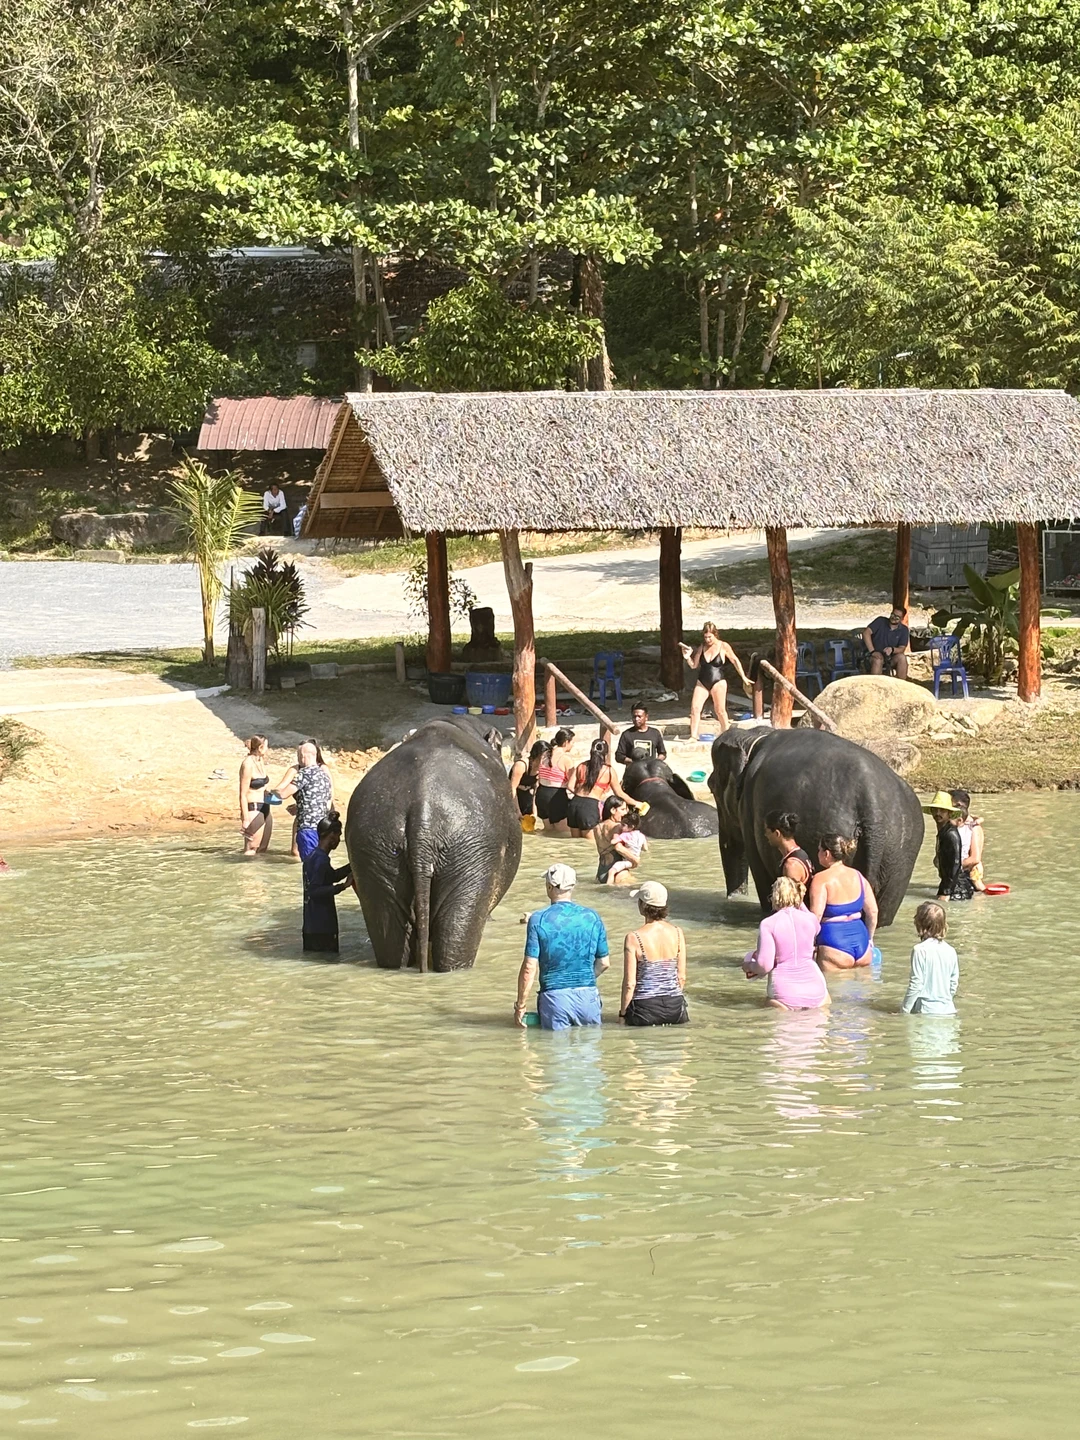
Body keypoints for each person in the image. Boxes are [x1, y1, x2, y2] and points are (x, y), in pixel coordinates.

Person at [514, 864, 610, 1030]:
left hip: (554, 999)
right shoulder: (592, 917)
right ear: (572, 886)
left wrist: (520, 1005)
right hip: (588, 998)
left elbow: (529, 968)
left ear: (549, 886)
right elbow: (604, 962)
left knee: (556, 1051)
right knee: (590, 1051)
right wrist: (582, 979)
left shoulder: (538, 919)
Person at [742, 877, 830, 1010]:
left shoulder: (768, 924)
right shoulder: (811, 919)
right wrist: (798, 901)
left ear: (774, 897)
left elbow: (764, 966)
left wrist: (748, 965)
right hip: (817, 989)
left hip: (784, 993)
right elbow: (816, 926)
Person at [619, 881, 688, 1026]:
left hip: (645, 1009)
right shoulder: (677, 932)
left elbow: (630, 984)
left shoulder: (634, 937)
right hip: (675, 1008)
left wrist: (623, 1014)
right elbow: (681, 977)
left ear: (643, 906)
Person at [809, 834, 878, 970]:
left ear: (827, 853)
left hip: (834, 944)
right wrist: (869, 940)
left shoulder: (820, 879)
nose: (818, 854)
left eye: (819, 850)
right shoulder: (858, 876)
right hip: (862, 945)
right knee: (861, 990)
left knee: (834, 989)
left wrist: (809, 945)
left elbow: (815, 917)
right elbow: (873, 912)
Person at [679, 622, 751, 739]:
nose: (707, 640)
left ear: (715, 635)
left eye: (710, 637)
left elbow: (735, 661)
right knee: (695, 709)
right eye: (705, 637)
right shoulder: (702, 647)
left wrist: (743, 676)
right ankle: (693, 736)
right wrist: (687, 657)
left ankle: (727, 734)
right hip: (702, 681)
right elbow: (694, 666)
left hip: (718, 682)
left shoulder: (723, 646)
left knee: (720, 710)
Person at [272, 740, 334, 861]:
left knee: (309, 864)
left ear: (303, 756)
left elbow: (283, 794)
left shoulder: (304, 773)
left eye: (299, 756)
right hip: (321, 828)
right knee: (319, 862)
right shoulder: (324, 775)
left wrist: (270, 792)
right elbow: (322, 799)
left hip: (307, 828)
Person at [302, 816, 352, 955]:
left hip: (311, 926)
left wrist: (351, 866)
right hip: (323, 927)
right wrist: (343, 886)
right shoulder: (321, 860)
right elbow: (315, 891)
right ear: (332, 835)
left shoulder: (312, 856)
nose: (339, 840)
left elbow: (330, 877)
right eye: (338, 835)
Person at [902, 900, 959, 1015]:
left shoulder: (919, 950)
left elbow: (916, 984)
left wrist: (904, 1010)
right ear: (943, 925)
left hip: (925, 1011)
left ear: (919, 924)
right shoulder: (951, 950)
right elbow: (953, 984)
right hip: (948, 1011)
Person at [567, 736, 629, 839]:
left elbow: (569, 786)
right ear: (605, 754)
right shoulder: (608, 771)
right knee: (590, 845)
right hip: (589, 807)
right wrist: (637, 803)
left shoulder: (581, 766)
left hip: (574, 804)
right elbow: (619, 793)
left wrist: (580, 796)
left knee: (576, 843)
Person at [924, 791, 974, 901]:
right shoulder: (943, 832)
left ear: (949, 813)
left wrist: (946, 892)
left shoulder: (951, 834)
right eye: (935, 810)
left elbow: (955, 864)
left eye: (942, 810)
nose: (938, 813)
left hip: (957, 890)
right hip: (950, 886)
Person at [595, 798, 647, 885]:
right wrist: (635, 861)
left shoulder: (597, 827)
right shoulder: (618, 826)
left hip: (601, 871)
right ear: (613, 810)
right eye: (622, 809)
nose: (625, 813)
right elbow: (618, 848)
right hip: (618, 872)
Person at [239, 735, 274, 857]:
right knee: (251, 849)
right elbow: (242, 794)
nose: (268, 749)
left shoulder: (260, 761)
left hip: (265, 807)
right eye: (266, 746)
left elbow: (262, 785)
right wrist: (245, 819)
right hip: (253, 809)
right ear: (260, 748)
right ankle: (246, 874)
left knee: (262, 850)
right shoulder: (247, 764)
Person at [536, 729, 575, 833]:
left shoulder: (544, 754)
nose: (573, 745)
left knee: (548, 833)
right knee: (564, 834)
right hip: (556, 797)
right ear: (566, 742)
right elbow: (573, 783)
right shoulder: (565, 759)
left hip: (541, 795)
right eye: (572, 742)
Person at [763, 810, 814, 887]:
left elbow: (790, 898)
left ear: (777, 833)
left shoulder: (791, 866)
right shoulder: (799, 853)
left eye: (767, 831)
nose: (765, 835)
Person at [950, 788, 986, 892]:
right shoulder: (955, 826)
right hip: (957, 871)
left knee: (978, 888)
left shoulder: (973, 827)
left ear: (959, 804)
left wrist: (952, 866)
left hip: (971, 872)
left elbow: (975, 858)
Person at [863, 606, 910, 679]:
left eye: (897, 617)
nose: (894, 618)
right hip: (873, 655)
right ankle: (875, 685)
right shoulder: (880, 621)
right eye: (893, 615)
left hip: (890, 657)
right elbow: (866, 633)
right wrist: (873, 651)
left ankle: (901, 685)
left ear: (902, 619)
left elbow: (902, 648)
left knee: (902, 658)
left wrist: (892, 649)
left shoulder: (904, 630)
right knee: (878, 659)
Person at [509, 740, 545, 820]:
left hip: (527, 796)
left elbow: (536, 791)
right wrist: (517, 811)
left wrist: (534, 813)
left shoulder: (542, 768)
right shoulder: (521, 765)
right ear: (537, 755)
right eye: (544, 757)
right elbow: (512, 788)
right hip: (514, 796)